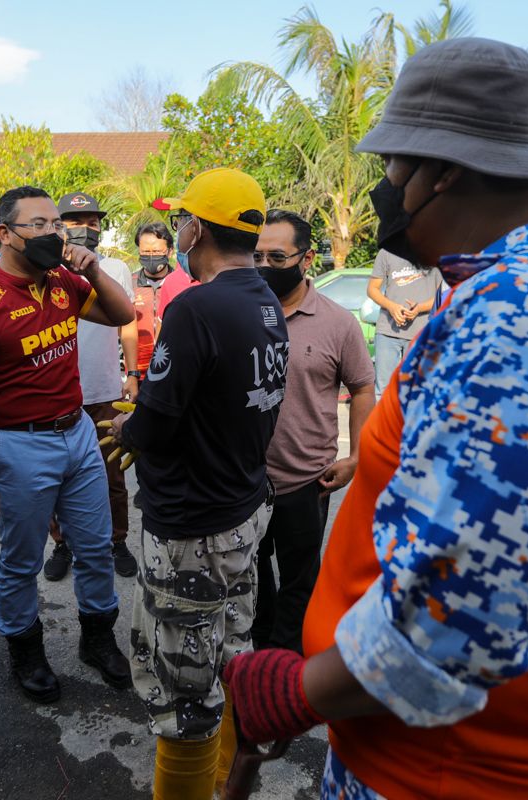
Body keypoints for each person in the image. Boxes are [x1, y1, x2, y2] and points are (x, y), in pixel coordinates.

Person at [222, 39, 528, 800]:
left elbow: (456, 621)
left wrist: (300, 690)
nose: (383, 189)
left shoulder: (525, 324)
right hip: (468, 751)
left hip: (465, 770)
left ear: (442, 172)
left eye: (393, 168)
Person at [107, 167, 287, 800]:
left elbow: (155, 424)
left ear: (196, 228)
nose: (176, 228)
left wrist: (130, 431)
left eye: (180, 218)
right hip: (242, 510)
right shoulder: (265, 299)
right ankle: (225, 783)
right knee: (233, 650)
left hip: (192, 527)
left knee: (183, 688)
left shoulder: (196, 307)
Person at [0, 186, 136, 705]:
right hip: (18, 445)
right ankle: (25, 650)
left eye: (57, 224)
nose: (55, 233)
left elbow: (120, 316)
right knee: (21, 559)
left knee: (95, 548)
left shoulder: (64, 283)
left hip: (78, 434)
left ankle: (98, 640)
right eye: (40, 225)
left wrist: (93, 270)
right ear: (4, 234)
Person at [251, 209, 376, 654]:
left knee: (300, 576)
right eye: (258, 255)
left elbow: (363, 388)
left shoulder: (338, 323)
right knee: (251, 570)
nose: (264, 265)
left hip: (308, 480)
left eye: (277, 257)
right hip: (244, 478)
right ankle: (260, 648)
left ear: (306, 260)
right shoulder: (238, 311)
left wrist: (356, 456)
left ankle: (286, 665)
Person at [43, 192, 141, 581]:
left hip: (104, 391)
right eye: (75, 220)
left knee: (112, 474)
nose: (86, 228)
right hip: (58, 395)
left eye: (94, 221)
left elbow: (127, 323)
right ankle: (62, 543)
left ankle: (117, 541)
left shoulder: (114, 269)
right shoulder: (45, 269)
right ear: (58, 225)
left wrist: (132, 374)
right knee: (57, 476)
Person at [365, 247, 443, 399]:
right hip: (387, 331)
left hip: (421, 332)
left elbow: (443, 293)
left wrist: (419, 308)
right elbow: (372, 289)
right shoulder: (387, 252)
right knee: (383, 389)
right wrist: (391, 307)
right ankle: (384, 423)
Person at [131, 221, 192, 379]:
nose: (151, 256)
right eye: (145, 251)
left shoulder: (182, 284)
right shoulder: (129, 284)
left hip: (172, 372)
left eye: (157, 251)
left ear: (170, 252)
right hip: (136, 374)